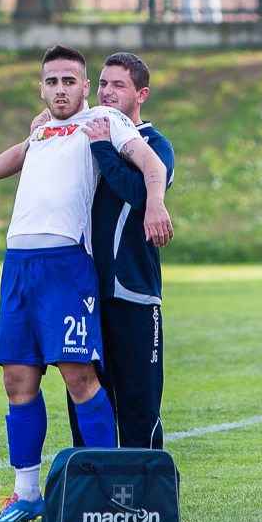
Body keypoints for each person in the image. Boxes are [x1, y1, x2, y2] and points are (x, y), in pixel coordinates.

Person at [0, 45, 173, 522]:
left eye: (71, 81)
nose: (60, 89)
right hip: (17, 265)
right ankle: (25, 496)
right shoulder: (43, 126)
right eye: (52, 82)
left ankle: (110, 488)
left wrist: (156, 204)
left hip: (66, 265)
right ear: (41, 87)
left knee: (78, 377)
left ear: (85, 88)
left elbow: (152, 166)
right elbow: (19, 154)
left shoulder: (106, 122)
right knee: (17, 378)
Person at [65, 52, 175, 451]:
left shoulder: (154, 146)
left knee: (138, 404)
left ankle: (146, 494)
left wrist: (102, 149)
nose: (107, 92)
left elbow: (138, 193)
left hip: (132, 291)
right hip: (84, 293)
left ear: (141, 94)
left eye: (119, 85)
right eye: (103, 83)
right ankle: (94, 491)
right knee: (87, 396)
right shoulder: (87, 133)